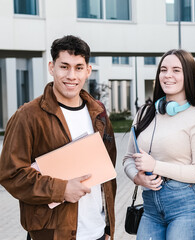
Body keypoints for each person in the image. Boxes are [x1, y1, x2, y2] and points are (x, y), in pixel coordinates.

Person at [0, 35, 117, 239]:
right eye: (64, 66)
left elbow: (107, 175)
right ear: (51, 67)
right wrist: (60, 190)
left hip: (96, 232)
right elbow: (11, 175)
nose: (72, 75)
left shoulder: (99, 114)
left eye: (79, 68)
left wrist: (108, 227)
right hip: (53, 234)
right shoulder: (27, 116)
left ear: (88, 71)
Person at [123, 49, 195, 240]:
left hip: (187, 208)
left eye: (176, 70)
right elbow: (128, 159)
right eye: (163, 70)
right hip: (150, 209)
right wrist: (137, 178)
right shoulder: (145, 113)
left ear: (188, 75)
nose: (168, 75)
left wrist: (155, 166)